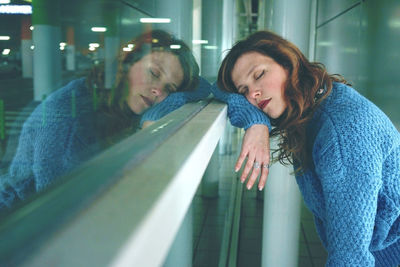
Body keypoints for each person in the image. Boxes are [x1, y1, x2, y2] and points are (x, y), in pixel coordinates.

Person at [217, 30, 400, 266]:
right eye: (244, 90)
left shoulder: (341, 133)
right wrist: (256, 121)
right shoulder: (316, 103)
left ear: (288, 63)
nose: (253, 93)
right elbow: (214, 89)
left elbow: (350, 258)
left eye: (259, 74)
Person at [0, 30, 201, 210]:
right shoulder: (71, 117)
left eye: (169, 89)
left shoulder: (116, 100)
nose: (158, 91)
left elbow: (203, 87)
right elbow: (62, 210)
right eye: (154, 73)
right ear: (127, 60)